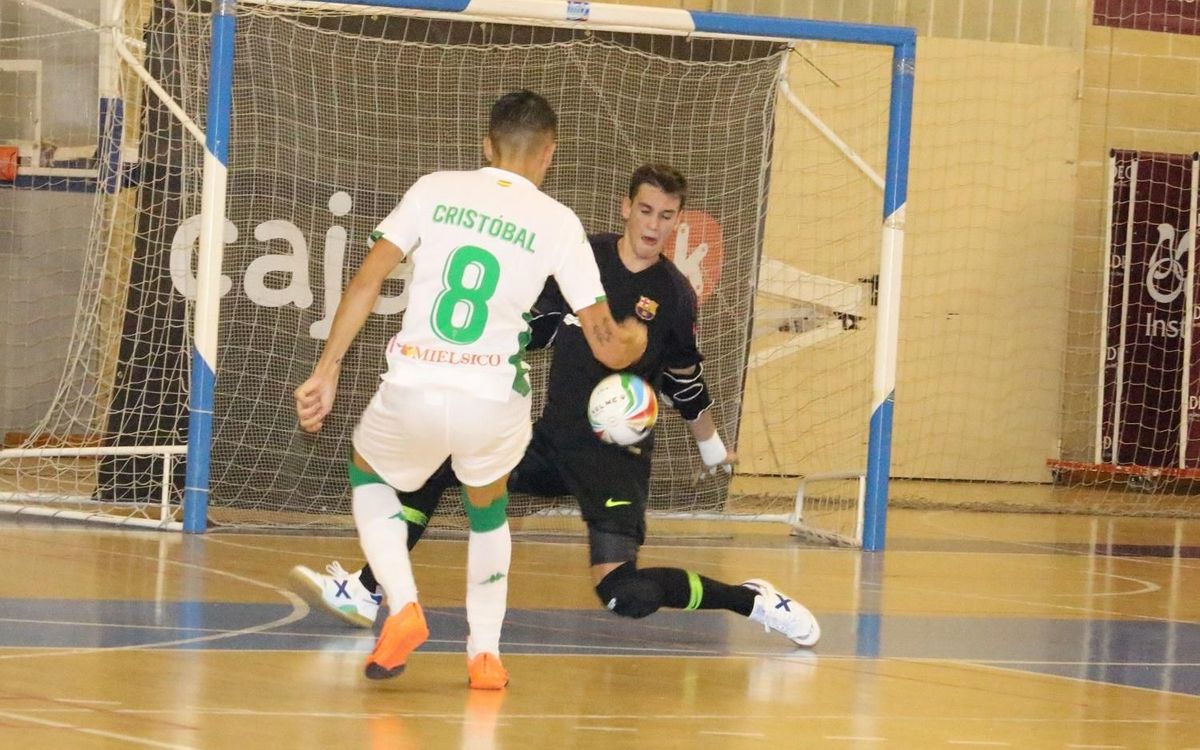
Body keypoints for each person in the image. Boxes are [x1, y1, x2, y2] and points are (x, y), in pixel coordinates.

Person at [294, 164, 820, 660]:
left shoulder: (676, 296)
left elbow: (685, 377)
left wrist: (709, 445)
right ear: (625, 209)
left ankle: (750, 600)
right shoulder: (583, 255)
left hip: (615, 460)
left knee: (626, 594)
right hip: (549, 442)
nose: (653, 225)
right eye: (645, 210)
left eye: (666, 215)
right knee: (435, 464)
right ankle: (365, 592)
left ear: (678, 221)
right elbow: (532, 322)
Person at [293, 90, 646, 690]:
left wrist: (326, 370)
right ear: (549, 155)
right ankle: (485, 655)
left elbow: (366, 280)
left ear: (486, 145)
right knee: (489, 512)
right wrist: (634, 340)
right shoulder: (559, 223)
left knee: (368, 475)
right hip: (493, 398)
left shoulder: (434, 188)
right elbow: (606, 343)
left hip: (415, 384)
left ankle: (401, 606)